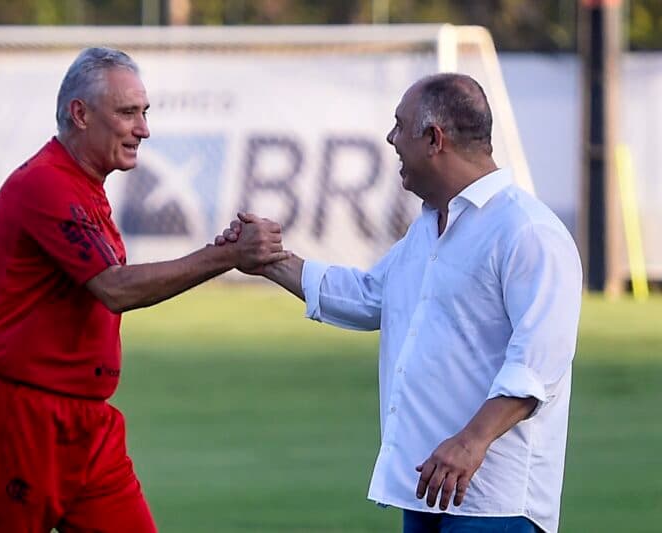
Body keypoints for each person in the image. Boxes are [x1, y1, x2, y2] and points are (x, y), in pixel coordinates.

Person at [220, 73, 582, 533]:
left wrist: (471, 442)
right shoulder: (429, 226)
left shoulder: (529, 232)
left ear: (434, 139)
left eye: (399, 126)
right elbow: (372, 297)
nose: (390, 139)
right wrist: (267, 261)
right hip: (427, 488)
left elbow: (538, 363)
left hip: (495, 503)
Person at [0, 47, 287, 533]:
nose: (144, 129)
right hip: (23, 416)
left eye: (144, 112)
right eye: (128, 113)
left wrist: (226, 255)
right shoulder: (45, 185)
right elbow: (114, 288)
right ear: (81, 114)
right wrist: (227, 256)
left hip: (90, 423)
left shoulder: (84, 185)